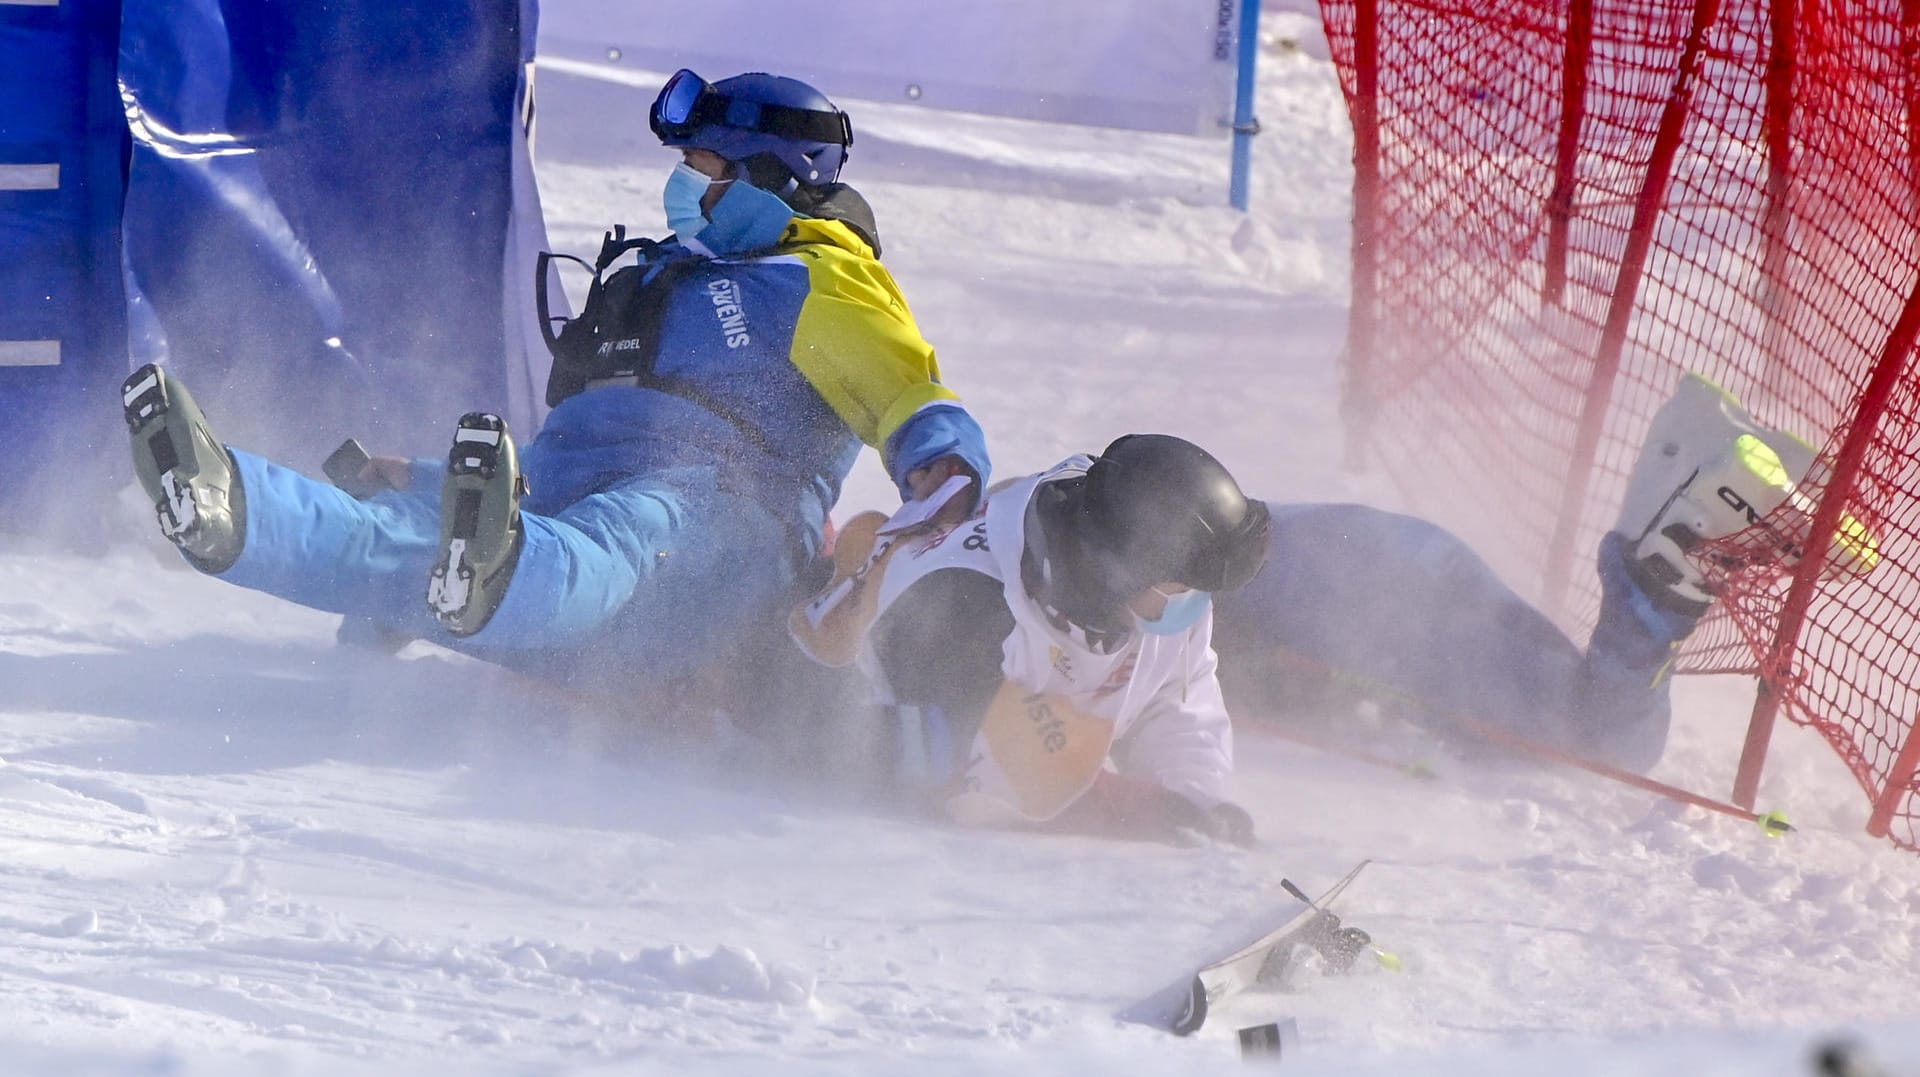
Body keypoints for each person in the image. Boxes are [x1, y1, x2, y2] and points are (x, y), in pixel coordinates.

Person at [120, 69, 990, 696]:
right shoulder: (664, 275)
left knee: (615, 533)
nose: (682, 186)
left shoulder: (822, 281)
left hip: (719, 527)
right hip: (570, 547)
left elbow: (911, 390)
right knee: (398, 537)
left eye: (704, 169)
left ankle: (500, 572)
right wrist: (426, 480)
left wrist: (943, 464)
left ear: (771, 177)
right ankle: (234, 511)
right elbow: (576, 449)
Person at [1209, 371, 1879, 772]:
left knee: (1599, 743)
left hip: (1356, 593)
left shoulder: (1122, 592)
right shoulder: (1115, 507)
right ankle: (1709, 500)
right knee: (1602, 739)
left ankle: (1681, 530)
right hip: (1366, 565)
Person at [791, 434, 1272, 846]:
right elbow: (997, 790)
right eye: (1182, 590)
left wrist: (1195, 798)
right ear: (1116, 575)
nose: (1193, 604)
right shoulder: (967, 609)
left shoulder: (1148, 586)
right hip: (838, 723)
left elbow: (1172, 697)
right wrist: (1154, 811)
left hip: (990, 725)